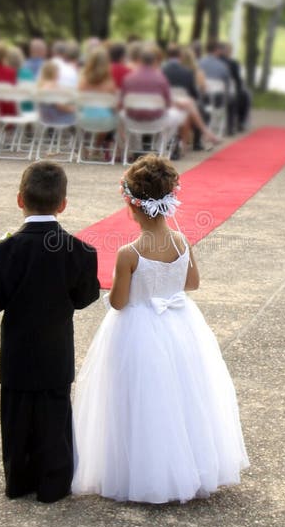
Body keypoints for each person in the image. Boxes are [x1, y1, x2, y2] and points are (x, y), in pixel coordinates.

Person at [72, 155, 249, 503]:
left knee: (139, 399)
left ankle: (142, 469)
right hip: (180, 325)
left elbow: (120, 302)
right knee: (182, 395)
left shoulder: (129, 253)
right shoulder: (182, 242)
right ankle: (187, 465)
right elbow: (193, 283)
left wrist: (123, 293)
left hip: (138, 328)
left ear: (130, 205)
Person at [0, 161, 100, 502]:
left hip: (16, 353)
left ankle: (18, 481)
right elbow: (85, 297)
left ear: (20, 199)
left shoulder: (0, 251)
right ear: (62, 204)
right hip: (55, 350)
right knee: (54, 416)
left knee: (16, 416)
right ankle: (53, 484)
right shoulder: (80, 251)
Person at [36, 61, 76, 125]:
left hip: (44, 119)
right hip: (57, 119)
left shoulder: (40, 85)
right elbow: (60, 106)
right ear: (54, 73)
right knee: (78, 116)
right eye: (58, 72)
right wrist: (73, 109)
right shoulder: (53, 86)